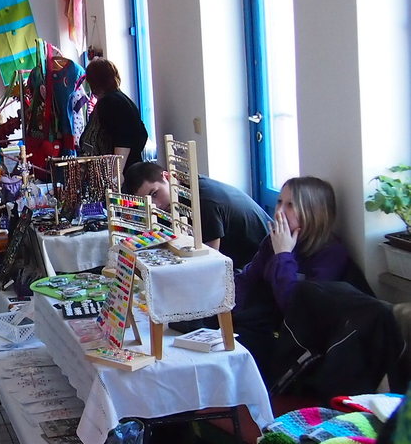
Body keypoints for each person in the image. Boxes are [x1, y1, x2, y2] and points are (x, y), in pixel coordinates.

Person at [233, 176, 353, 382]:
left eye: (290, 205)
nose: (279, 211)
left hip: (293, 340)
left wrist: (283, 255)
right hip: (261, 325)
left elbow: (296, 308)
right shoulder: (273, 240)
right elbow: (246, 281)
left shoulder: (330, 254)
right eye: (279, 202)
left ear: (314, 211)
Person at [123, 161, 271, 268]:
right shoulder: (181, 189)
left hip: (262, 263)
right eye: (149, 202)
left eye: (155, 193)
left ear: (166, 177)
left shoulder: (202, 199)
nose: (157, 206)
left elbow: (209, 259)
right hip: (240, 260)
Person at [78, 58, 148, 173]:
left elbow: (123, 140)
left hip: (122, 173)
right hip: (127, 169)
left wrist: (116, 174)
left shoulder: (110, 102)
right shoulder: (119, 99)